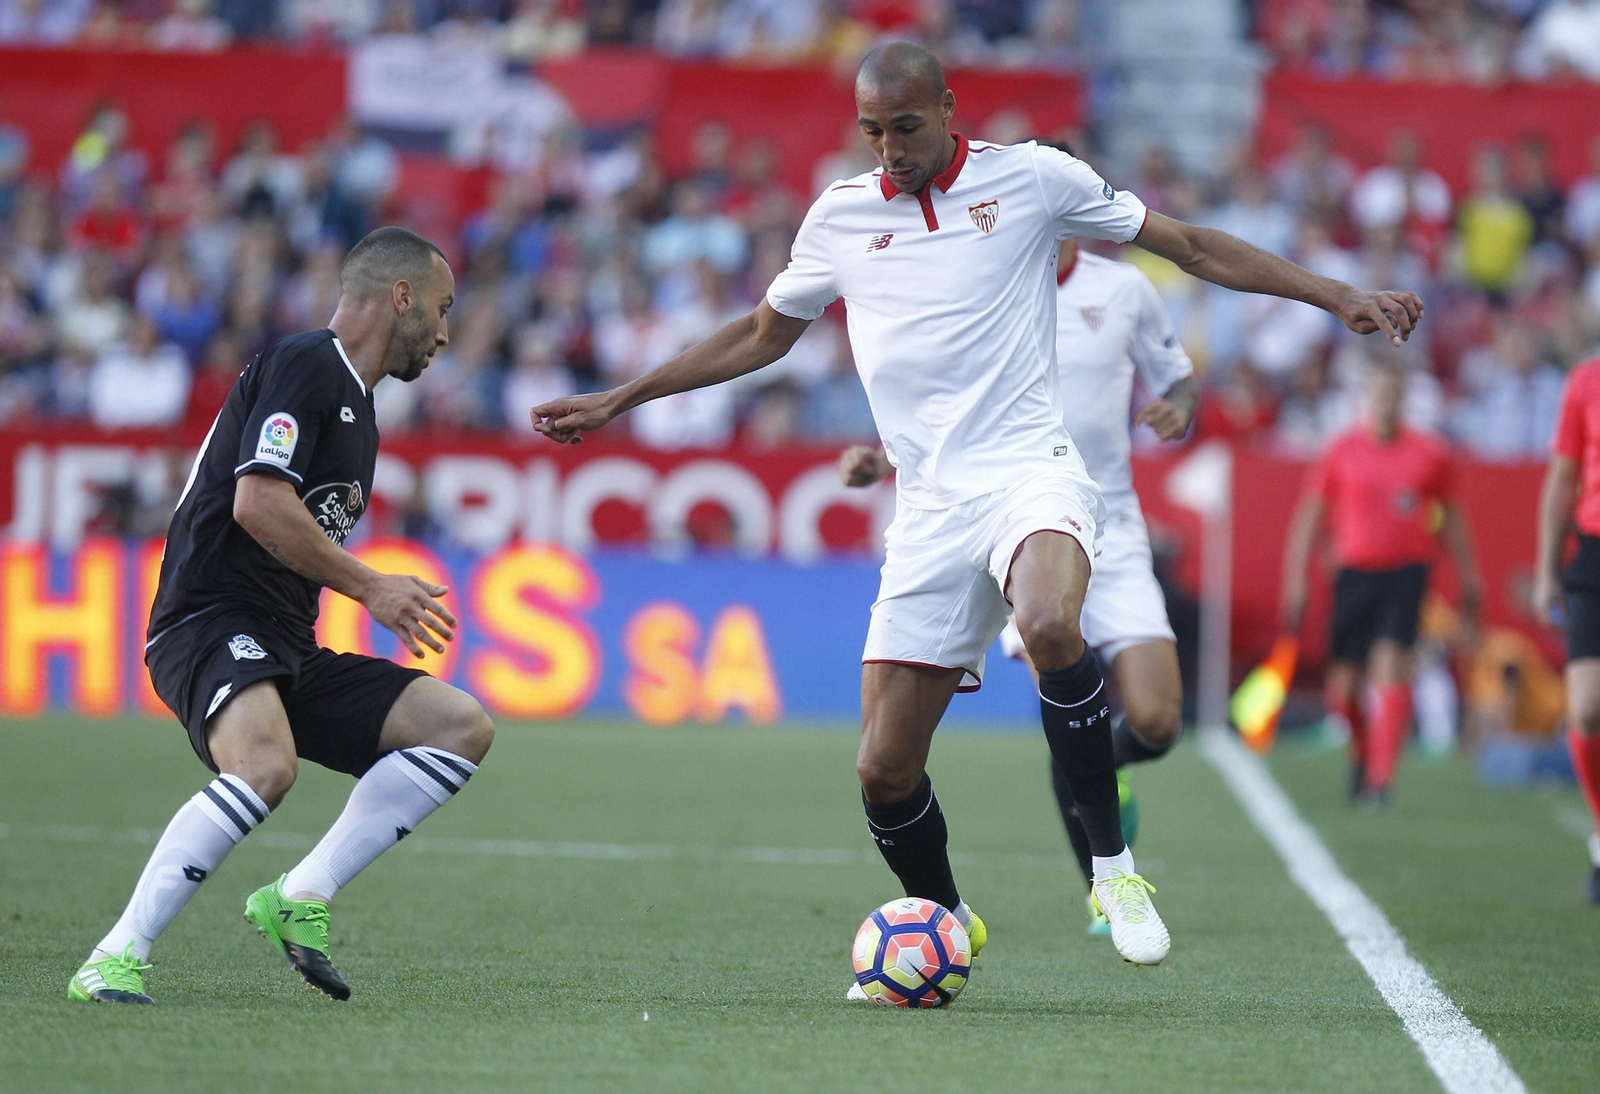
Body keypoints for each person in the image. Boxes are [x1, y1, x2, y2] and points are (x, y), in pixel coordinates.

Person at [529, 42, 1422, 986]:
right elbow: (761, 335)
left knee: (1048, 621)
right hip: (927, 512)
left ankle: (1113, 875)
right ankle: (949, 921)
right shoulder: (838, 217)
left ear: (949, 108)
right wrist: (617, 401)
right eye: (873, 131)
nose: (890, 149)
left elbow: (1189, 245)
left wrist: (1336, 296)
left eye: (906, 127)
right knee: (882, 772)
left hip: (1031, 473)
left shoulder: (1033, 180)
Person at [68, 227, 494, 1005]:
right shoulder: (306, 363)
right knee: (265, 767)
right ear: (399, 296)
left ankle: (301, 894)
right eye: (439, 308)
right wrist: (370, 587)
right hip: (207, 618)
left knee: (459, 726)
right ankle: (113, 955)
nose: (442, 331)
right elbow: (258, 502)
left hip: (283, 643)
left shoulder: (359, 411)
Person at [837, 224, 1197, 940]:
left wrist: (1179, 407)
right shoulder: (983, 281)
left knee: (1156, 721)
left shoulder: (1122, 289)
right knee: (1051, 648)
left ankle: (1096, 764)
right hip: (1012, 517)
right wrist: (882, 459)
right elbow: (945, 404)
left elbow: (1177, 377)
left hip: (1113, 522)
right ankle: (1107, 884)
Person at [1280, 363, 1481, 807]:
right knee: (1344, 688)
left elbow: (1453, 519)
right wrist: (1296, 579)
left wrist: (1470, 576)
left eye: (1394, 392)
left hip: (1407, 573)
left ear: (1404, 397)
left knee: (1392, 665)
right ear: (1367, 397)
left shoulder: (1430, 453)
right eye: (1379, 392)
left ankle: (1379, 781)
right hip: (1353, 573)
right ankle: (1362, 751)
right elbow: (1310, 516)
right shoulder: (1340, 449)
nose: (1386, 401)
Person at [1533, 355, 1600, 904]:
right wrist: (1545, 572)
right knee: (1586, 709)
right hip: (1594, 555)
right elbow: (1563, 478)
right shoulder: (1585, 381)